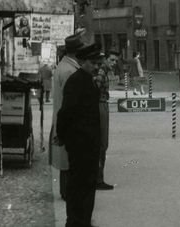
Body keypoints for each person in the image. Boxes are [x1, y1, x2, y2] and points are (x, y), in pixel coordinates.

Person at [57, 43, 102, 227]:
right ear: (82, 61)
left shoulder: (87, 79)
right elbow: (65, 113)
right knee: (79, 187)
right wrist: (66, 139)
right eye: (92, 62)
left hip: (88, 145)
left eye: (97, 63)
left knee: (87, 187)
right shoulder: (76, 81)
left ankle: (83, 221)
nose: (96, 66)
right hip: (80, 145)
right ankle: (76, 222)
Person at [51, 31, 87, 201]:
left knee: (66, 161)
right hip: (69, 123)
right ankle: (67, 192)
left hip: (64, 120)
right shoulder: (69, 71)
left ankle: (66, 191)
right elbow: (71, 101)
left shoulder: (64, 66)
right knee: (68, 161)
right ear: (75, 51)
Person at [93, 49, 118, 191]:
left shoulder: (103, 71)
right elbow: (95, 89)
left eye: (115, 61)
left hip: (102, 104)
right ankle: (98, 179)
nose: (114, 63)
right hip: (100, 105)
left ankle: (98, 177)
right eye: (112, 60)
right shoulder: (102, 72)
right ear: (105, 60)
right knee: (102, 143)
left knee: (102, 144)